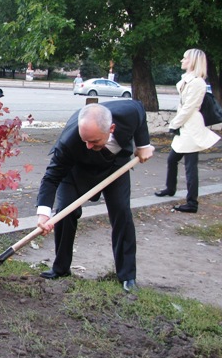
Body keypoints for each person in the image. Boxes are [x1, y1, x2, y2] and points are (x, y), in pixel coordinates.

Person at [35, 101, 155, 292]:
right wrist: (43, 214)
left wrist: (143, 144)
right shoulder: (70, 141)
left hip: (116, 167)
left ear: (112, 128)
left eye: (94, 141)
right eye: (85, 140)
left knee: (122, 213)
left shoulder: (129, 113)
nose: (89, 145)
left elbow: (141, 112)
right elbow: (51, 177)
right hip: (76, 170)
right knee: (65, 212)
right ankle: (61, 268)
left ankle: (127, 276)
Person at [154, 49, 220, 213]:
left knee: (190, 167)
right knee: (172, 159)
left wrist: (174, 124)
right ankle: (170, 188)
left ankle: (192, 203)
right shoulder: (189, 80)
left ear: (193, 62)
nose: (181, 60)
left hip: (191, 128)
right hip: (185, 127)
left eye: (185, 58)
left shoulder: (197, 82)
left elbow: (189, 108)